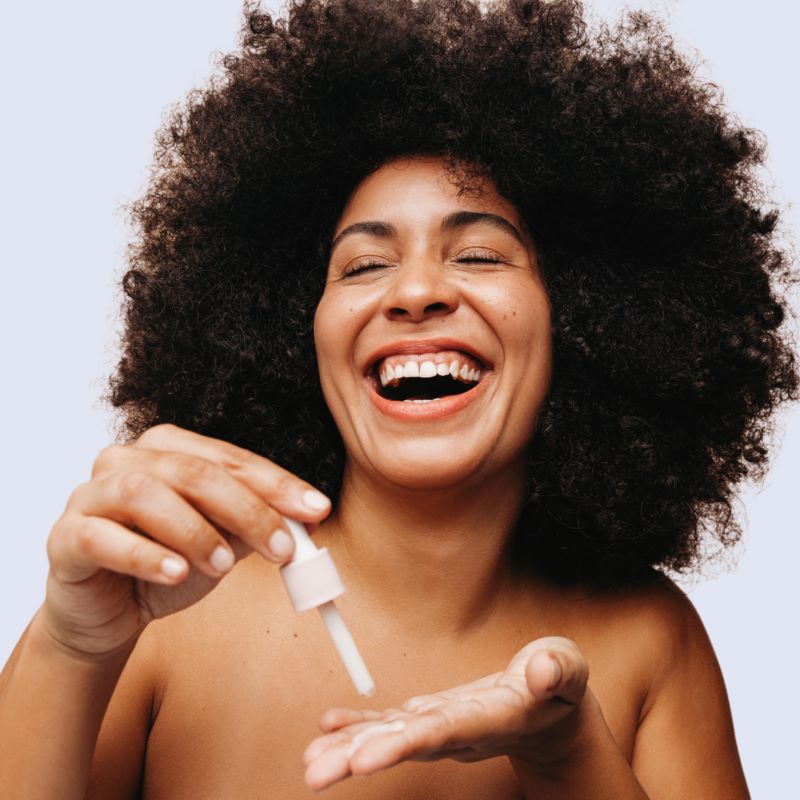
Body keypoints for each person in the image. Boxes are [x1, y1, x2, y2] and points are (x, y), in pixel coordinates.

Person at [1, 0, 796, 796]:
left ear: (586, 321)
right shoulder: (165, 610)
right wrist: (71, 650)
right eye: (362, 265)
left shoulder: (649, 639)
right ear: (289, 332)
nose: (416, 290)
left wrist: (568, 756)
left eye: (480, 255)